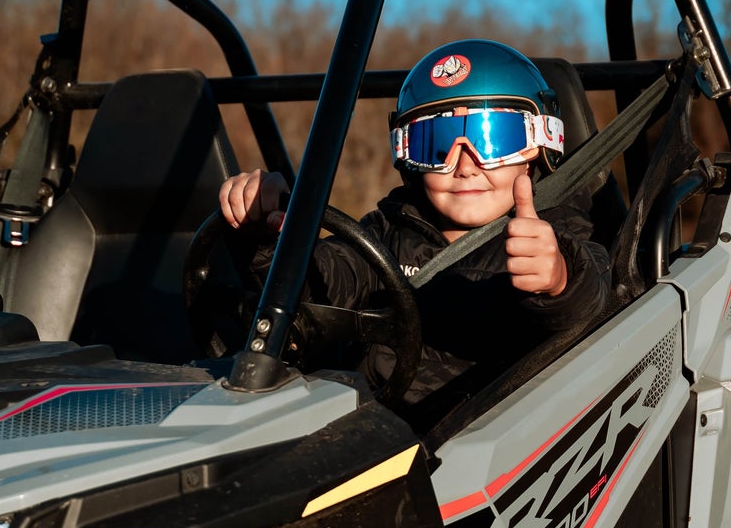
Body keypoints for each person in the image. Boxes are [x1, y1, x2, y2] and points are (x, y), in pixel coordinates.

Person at [218, 39, 613, 402]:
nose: (464, 165)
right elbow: (326, 281)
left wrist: (559, 278)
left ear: (541, 145)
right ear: (407, 158)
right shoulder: (388, 228)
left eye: (492, 139)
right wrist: (268, 239)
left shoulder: (556, 231)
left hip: (489, 437)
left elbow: (594, 299)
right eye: (436, 145)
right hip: (376, 428)